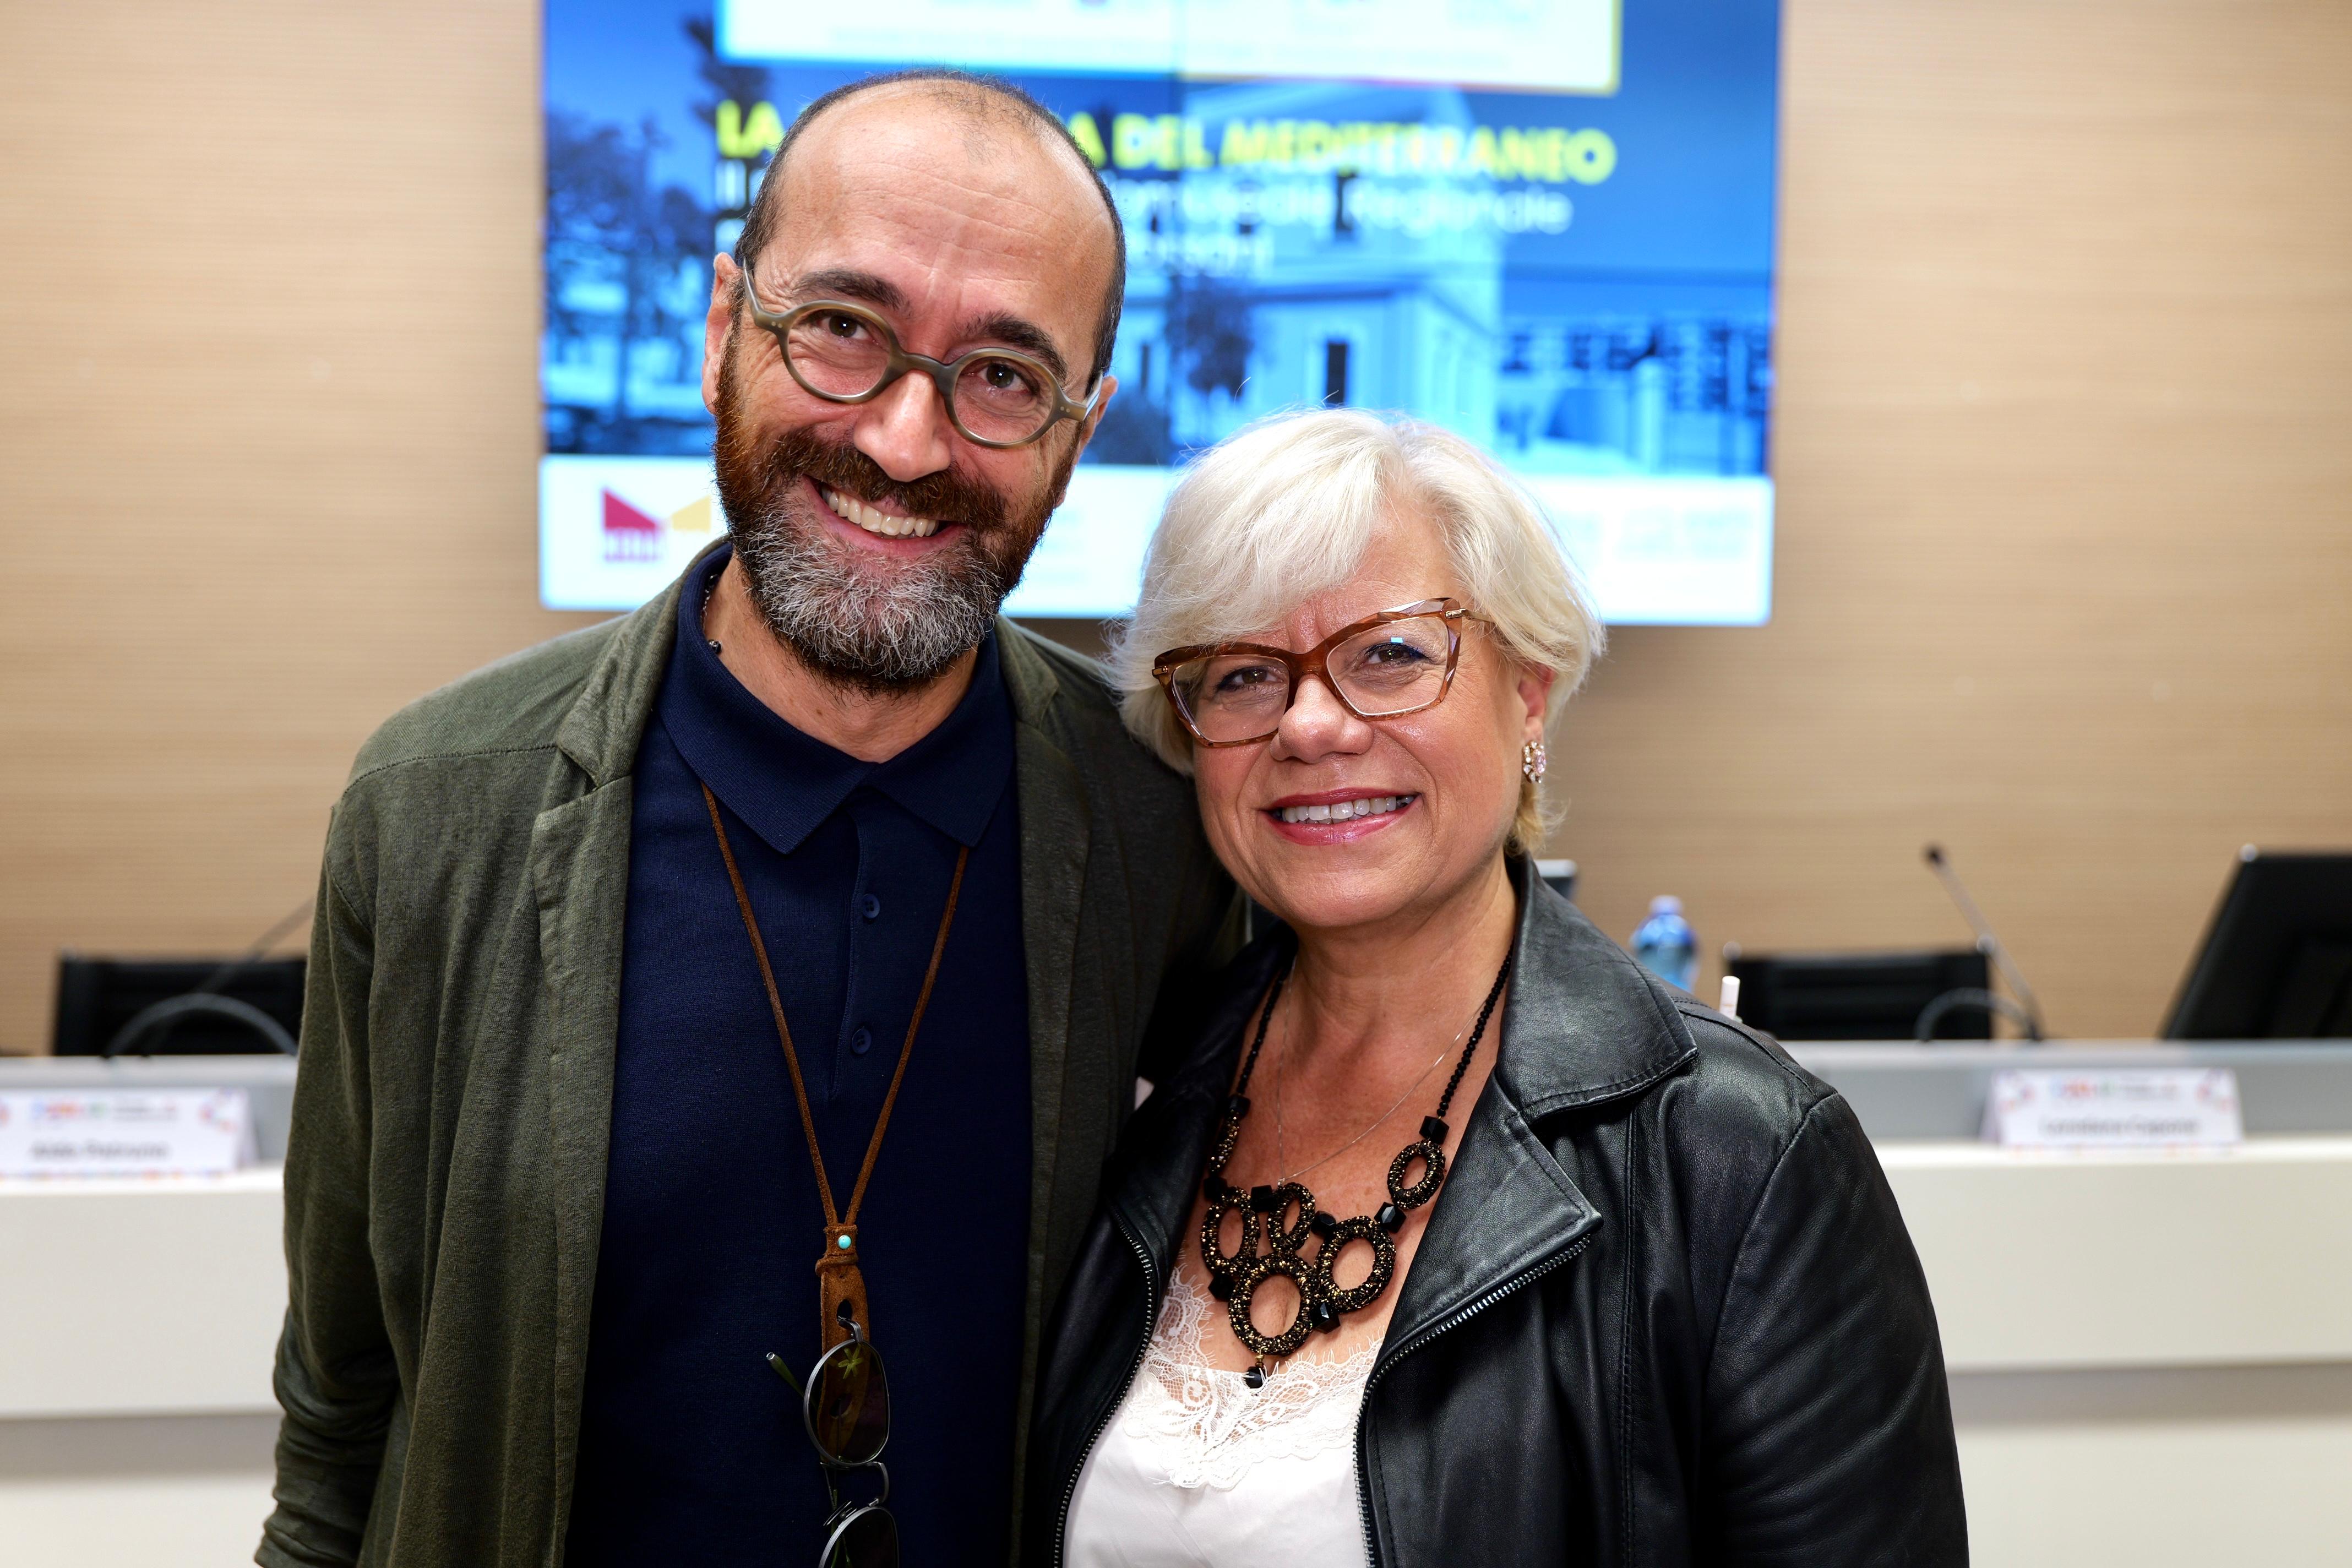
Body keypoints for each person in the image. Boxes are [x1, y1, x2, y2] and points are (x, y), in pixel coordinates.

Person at [259, 72, 1237, 1568]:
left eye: (1002, 374)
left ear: (1080, 427)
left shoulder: (1164, 829)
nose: (908, 444)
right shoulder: (435, 811)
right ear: (723, 328)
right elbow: (342, 1416)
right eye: (844, 330)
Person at [1025, 410, 1968, 1566]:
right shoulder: (1125, 1092)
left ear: (1528, 692)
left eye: (1390, 654)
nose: (1311, 723)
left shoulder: (1740, 1154)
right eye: (1241, 673)